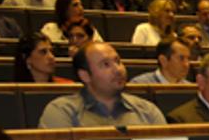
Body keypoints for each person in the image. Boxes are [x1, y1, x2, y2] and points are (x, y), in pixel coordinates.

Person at [38, 42, 166, 128]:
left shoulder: (148, 111)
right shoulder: (62, 111)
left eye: (118, 61)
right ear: (85, 76)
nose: (118, 69)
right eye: (106, 64)